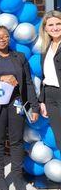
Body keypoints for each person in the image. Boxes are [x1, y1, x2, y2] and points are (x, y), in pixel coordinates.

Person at [0, 25, 39, 190]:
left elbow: (28, 83)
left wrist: (34, 106)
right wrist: (1, 78)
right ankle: (0, 177)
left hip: (16, 103)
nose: (2, 39)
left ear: (9, 38)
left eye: (5, 36)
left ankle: (18, 177)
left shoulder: (19, 57)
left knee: (16, 141)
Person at [39, 10, 61, 149]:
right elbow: (44, 77)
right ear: (45, 28)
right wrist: (42, 101)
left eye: (58, 23)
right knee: (59, 137)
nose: (55, 27)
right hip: (50, 97)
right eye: (51, 24)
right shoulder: (45, 48)